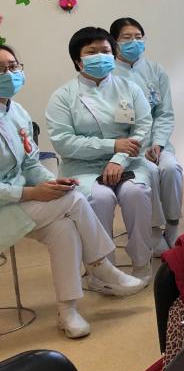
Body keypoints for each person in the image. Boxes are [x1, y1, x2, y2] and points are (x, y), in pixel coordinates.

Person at [0, 44, 143, 338]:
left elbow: (31, 163)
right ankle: (100, 265)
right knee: (74, 200)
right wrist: (30, 193)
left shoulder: (16, 112)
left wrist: (52, 183)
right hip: (9, 204)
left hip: (17, 203)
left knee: (63, 228)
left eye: (13, 66)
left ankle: (68, 311)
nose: (9, 74)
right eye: (0, 69)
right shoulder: (61, 96)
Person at [45, 27, 161, 283]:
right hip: (82, 166)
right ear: (78, 60)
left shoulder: (130, 88)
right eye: (92, 52)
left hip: (129, 161)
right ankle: (103, 271)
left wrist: (118, 158)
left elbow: (142, 128)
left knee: (136, 193)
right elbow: (64, 143)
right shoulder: (62, 97)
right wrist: (112, 146)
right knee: (100, 198)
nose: (100, 56)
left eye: (106, 51)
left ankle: (142, 263)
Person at [111, 17, 184, 250]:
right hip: (129, 146)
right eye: (127, 38)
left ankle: (172, 226)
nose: (134, 42)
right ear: (114, 42)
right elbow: (112, 123)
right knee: (150, 172)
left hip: (157, 142)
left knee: (171, 169)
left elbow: (165, 113)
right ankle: (153, 230)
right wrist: (137, 147)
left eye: (138, 37)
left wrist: (159, 143)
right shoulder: (109, 75)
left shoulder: (155, 70)